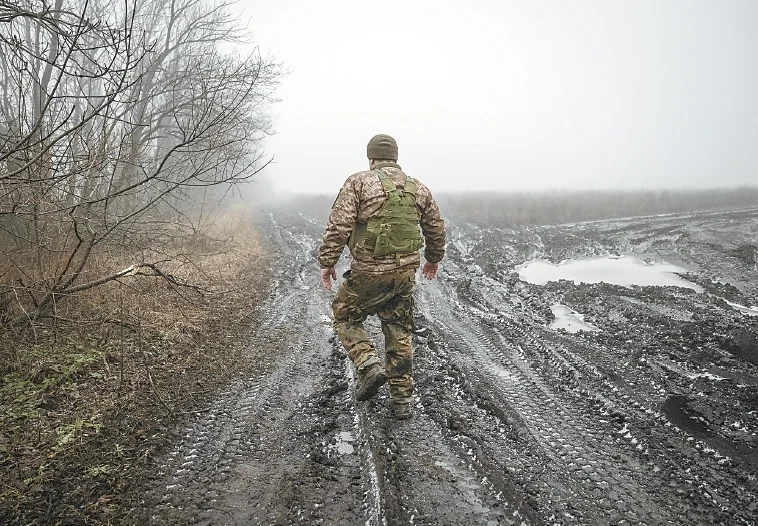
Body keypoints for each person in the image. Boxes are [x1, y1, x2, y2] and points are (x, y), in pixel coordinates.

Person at [318, 134, 446, 419]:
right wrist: (433, 260)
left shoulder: (359, 182)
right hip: (403, 276)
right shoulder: (418, 188)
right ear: (396, 158)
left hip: (367, 274)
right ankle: (401, 402)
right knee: (399, 331)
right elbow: (436, 228)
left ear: (371, 158)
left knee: (345, 316)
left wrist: (327, 262)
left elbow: (339, 226)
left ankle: (368, 364)